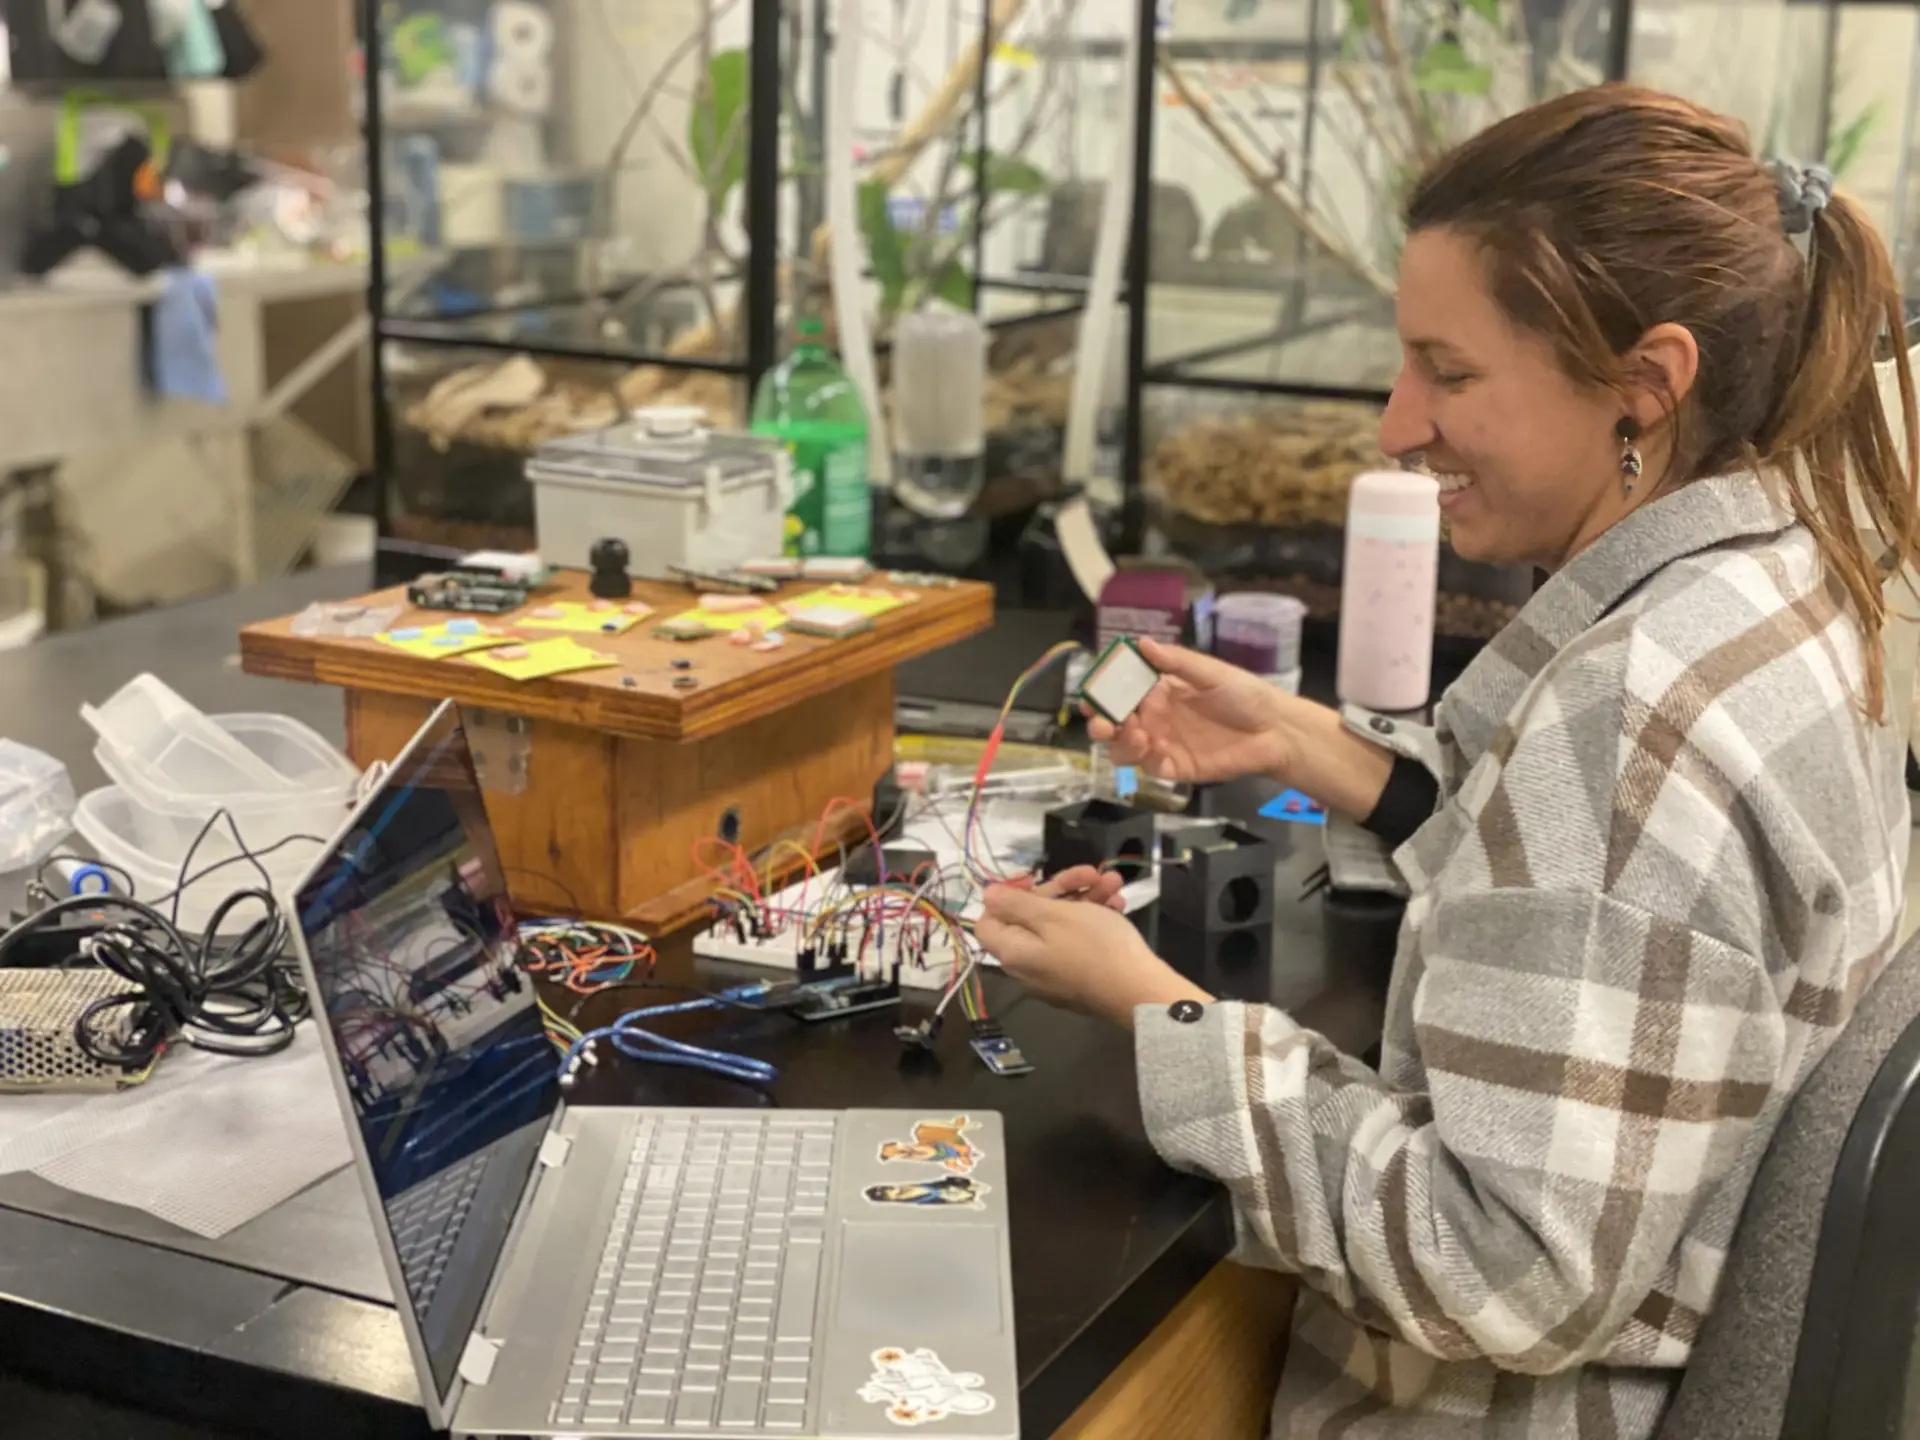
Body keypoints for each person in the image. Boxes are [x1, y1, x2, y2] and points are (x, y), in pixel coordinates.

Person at [974, 83, 1920, 1438]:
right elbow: (1610, 902)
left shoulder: (1633, 721)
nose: (1394, 423)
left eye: (1451, 370)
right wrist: (1325, 750)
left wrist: (1155, 1015)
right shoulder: (1782, 584)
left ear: (1646, 385)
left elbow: (1502, 1269)